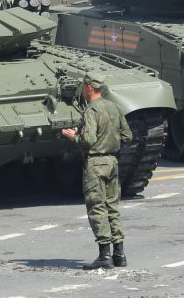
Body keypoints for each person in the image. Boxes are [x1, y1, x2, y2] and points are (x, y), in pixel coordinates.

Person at [61, 71, 132, 270]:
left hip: (95, 163)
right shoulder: (114, 107)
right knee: (113, 208)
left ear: (90, 87)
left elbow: (89, 140)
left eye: (84, 86)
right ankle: (120, 254)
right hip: (112, 162)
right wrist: (109, 140)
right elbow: (127, 136)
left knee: (97, 207)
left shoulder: (91, 110)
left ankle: (104, 255)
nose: (83, 90)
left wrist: (73, 136)